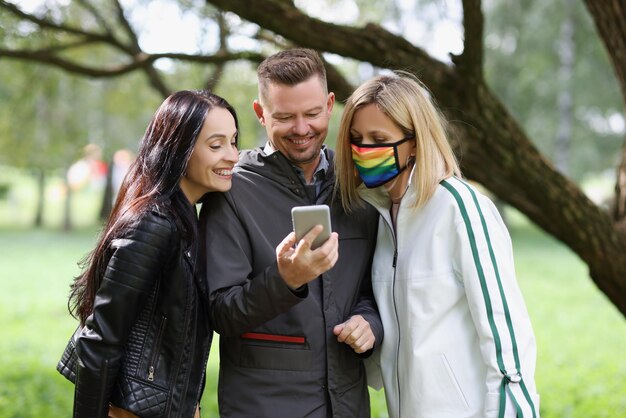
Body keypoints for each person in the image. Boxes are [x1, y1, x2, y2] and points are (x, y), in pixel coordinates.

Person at [334, 73, 540, 418]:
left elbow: (507, 336)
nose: (364, 150)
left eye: (378, 139)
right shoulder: (379, 217)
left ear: (414, 142)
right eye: (356, 139)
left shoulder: (460, 209)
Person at [198, 48, 383, 417]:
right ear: (260, 113)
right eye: (285, 117)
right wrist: (285, 280)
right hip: (264, 405)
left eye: (312, 114)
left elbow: (375, 285)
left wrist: (371, 322)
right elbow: (220, 312)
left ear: (330, 105)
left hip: (347, 404)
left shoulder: (359, 186)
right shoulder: (232, 192)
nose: (302, 129)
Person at [59, 90, 240, 418]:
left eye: (233, 141)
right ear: (180, 150)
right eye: (216, 145)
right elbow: (100, 338)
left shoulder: (185, 221)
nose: (232, 155)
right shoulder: (155, 224)